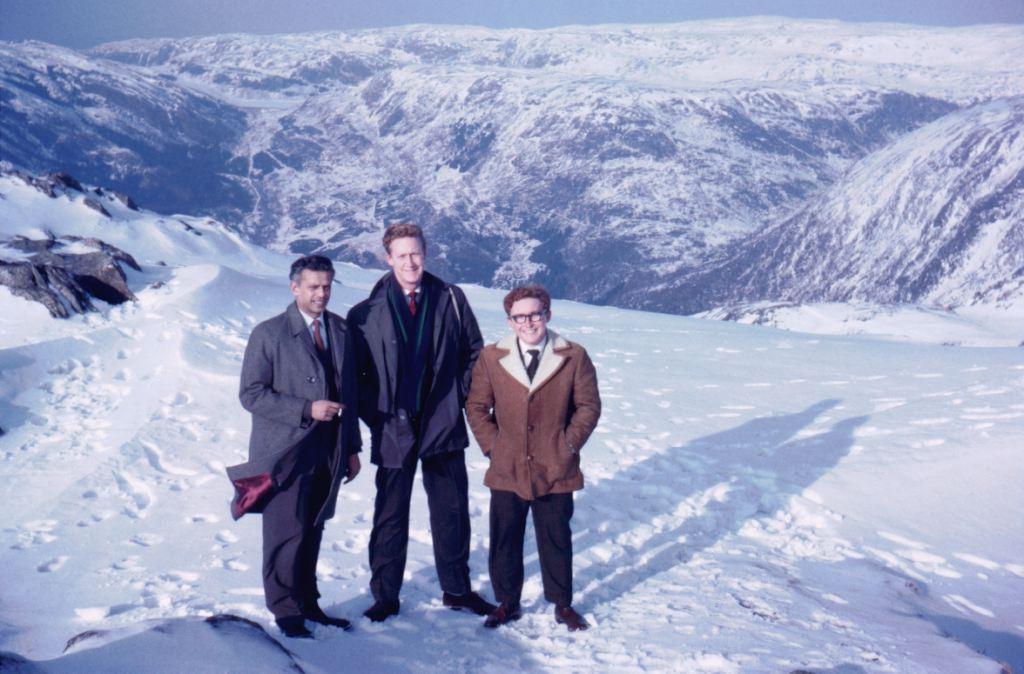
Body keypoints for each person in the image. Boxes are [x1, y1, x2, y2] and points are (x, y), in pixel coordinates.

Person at [347, 223, 496, 622]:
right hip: (393, 427)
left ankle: (457, 589)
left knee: (451, 510)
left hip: (442, 422)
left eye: (416, 253)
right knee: (390, 513)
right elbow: (355, 377)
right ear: (388, 258)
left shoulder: (451, 298)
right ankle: (385, 595)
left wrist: (455, 396)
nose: (410, 262)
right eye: (401, 255)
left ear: (425, 253)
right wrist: (376, 414)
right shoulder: (364, 313)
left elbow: (474, 353)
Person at [228, 255, 362, 639]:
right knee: (285, 529)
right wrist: (305, 409)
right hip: (285, 450)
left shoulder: (339, 330)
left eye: (327, 286)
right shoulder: (268, 333)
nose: (321, 294)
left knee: (314, 526)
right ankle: (285, 610)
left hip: (330, 449)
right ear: (294, 287)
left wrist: (351, 448)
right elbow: (250, 394)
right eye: (313, 287)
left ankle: (307, 601)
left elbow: (347, 392)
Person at [465, 284, 601, 631]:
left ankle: (562, 604)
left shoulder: (573, 356)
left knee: (555, 536)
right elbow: (477, 406)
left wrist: (567, 446)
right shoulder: (492, 357)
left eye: (535, 314)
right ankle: (507, 602)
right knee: (505, 537)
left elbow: (588, 406)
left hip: (555, 465)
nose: (528, 323)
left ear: (548, 315)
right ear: (510, 321)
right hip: (507, 464)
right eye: (519, 317)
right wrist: (494, 447)